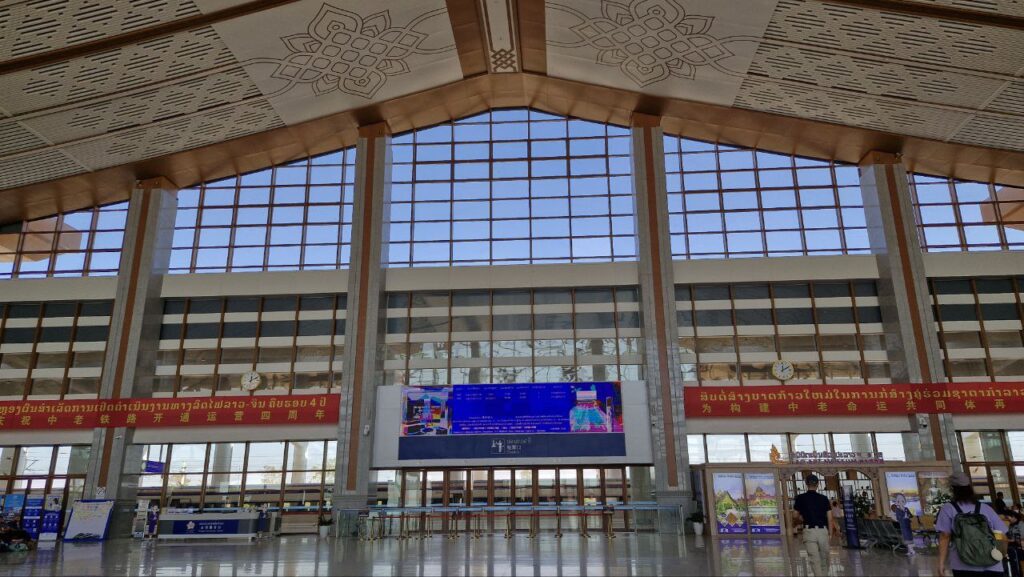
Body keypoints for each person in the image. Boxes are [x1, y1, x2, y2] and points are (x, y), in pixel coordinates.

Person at [937, 472, 1007, 577]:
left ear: (952, 489)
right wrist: (1001, 555)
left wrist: (941, 563)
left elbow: (945, 537)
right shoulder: (986, 508)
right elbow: (1002, 536)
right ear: (970, 488)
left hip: (963, 565)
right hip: (993, 565)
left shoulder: (948, 508)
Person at [793, 474, 839, 577]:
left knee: (814, 559)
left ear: (806, 484)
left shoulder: (800, 498)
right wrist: (830, 534)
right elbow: (830, 517)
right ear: (818, 484)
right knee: (824, 558)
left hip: (809, 532)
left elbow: (795, 515)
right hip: (823, 531)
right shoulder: (824, 499)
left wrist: (802, 518)